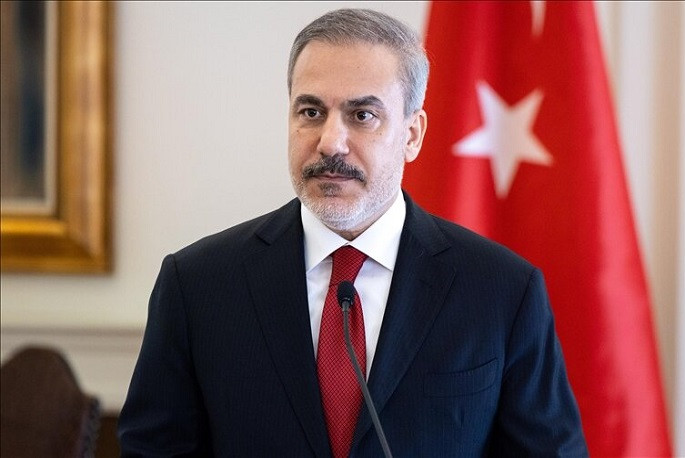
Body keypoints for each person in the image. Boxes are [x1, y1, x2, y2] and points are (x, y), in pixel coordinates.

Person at [118, 8, 587, 457]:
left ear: (412, 135)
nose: (330, 143)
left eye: (362, 115)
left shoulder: (503, 291)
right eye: (311, 112)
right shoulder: (198, 285)